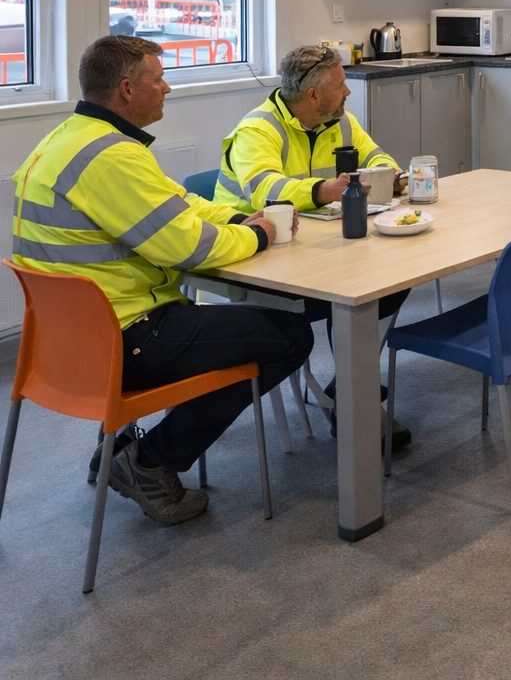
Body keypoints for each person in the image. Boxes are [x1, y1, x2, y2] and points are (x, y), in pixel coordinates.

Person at [10, 36, 313, 525]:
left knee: (230, 326)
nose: (168, 88)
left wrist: (239, 219)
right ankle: (151, 462)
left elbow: (177, 205)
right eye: (159, 78)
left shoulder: (69, 139)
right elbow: (186, 247)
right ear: (128, 89)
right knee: (290, 335)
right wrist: (258, 238)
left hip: (63, 346)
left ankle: (119, 446)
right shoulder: (112, 158)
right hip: (127, 338)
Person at [215, 43, 412, 450]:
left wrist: (391, 176)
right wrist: (324, 190)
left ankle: (350, 385)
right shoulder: (258, 129)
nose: (348, 93)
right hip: (253, 261)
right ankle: (354, 400)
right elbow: (263, 188)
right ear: (312, 95)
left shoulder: (340, 122)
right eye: (341, 85)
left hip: (317, 248)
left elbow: (377, 156)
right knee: (361, 292)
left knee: (393, 280)